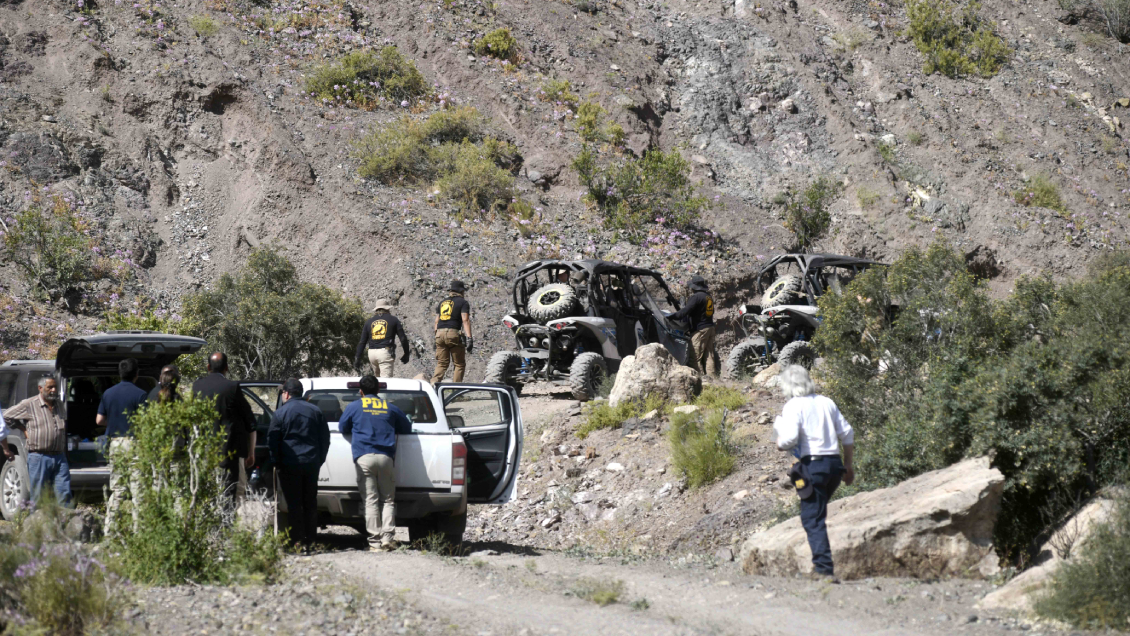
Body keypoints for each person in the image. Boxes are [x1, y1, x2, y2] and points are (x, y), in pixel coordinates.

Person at [773, 365, 855, 581]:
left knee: (812, 518)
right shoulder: (826, 402)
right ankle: (821, 563)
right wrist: (849, 466)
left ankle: (824, 569)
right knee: (816, 512)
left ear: (787, 386)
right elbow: (847, 434)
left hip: (812, 467)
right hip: (834, 467)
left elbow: (789, 439)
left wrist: (779, 442)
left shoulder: (793, 405)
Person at [338, 374, 413, 551]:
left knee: (370, 500)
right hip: (385, 457)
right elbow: (406, 427)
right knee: (387, 499)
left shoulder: (354, 406)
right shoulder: (390, 407)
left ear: (360, 391)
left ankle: (374, 542)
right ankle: (388, 538)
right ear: (379, 390)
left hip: (363, 458)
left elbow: (342, 427)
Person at [267, 378, 330, 551]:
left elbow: (273, 440)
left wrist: (276, 462)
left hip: (289, 464)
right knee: (310, 502)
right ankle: (310, 540)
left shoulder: (280, 413)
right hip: (311, 464)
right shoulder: (316, 411)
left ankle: (296, 541)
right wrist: (319, 459)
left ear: (286, 393)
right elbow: (325, 439)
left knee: (294, 504)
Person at [192, 353, 256, 500]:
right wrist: (250, 453)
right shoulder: (232, 387)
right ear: (226, 368)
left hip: (204, 453)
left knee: (207, 496)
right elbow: (250, 422)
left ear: (208, 367)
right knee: (230, 494)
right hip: (228, 453)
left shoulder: (197, 387)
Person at [2, 377, 71, 506]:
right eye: (50, 387)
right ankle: (36, 524)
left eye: (55, 387)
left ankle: (64, 524)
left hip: (59, 456)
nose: (54, 390)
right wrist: (23, 429)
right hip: (39, 456)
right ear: (40, 388)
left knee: (64, 493)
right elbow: (6, 416)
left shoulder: (59, 404)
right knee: (38, 496)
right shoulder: (29, 404)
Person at [99, 358, 150, 530]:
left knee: (117, 489)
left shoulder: (108, 393)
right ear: (137, 374)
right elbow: (146, 422)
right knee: (138, 490)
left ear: (120, 374)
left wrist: (113, 422)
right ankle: (139, 533)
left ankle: (110, 530)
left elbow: (99, 420)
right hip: (135, 443)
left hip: (115, 443)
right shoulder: (141, 394)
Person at [669, 275, 720, 376]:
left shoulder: (696, 297)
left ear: (694, 287)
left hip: (700, 330)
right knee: (709, 356)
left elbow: (685, 312)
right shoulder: (708, 296)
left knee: (694, 357)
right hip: (710, 328)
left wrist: (671, 316)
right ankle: (713, 380)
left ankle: (699, 380)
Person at [355, 299, 411, 378]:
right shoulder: (394, 320)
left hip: (371, 353)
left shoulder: (369, 322)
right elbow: (403, 339)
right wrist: (406, 353)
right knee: (386, 383)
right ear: (387, 308)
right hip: (385, 353)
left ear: (376, 309)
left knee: (377, 381)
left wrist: (357, 357)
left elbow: (362, 342)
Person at [431, 280, 473, 384]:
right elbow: (465, 320)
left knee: (441, 363)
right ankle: (456, 390)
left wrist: (435, 337)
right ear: (461, 291)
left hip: (439, 334)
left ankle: (432, 385)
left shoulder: (441, 303)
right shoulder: (463, 302)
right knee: (459, 364)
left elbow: (436, 321)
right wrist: (469, 338)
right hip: (453, 334)